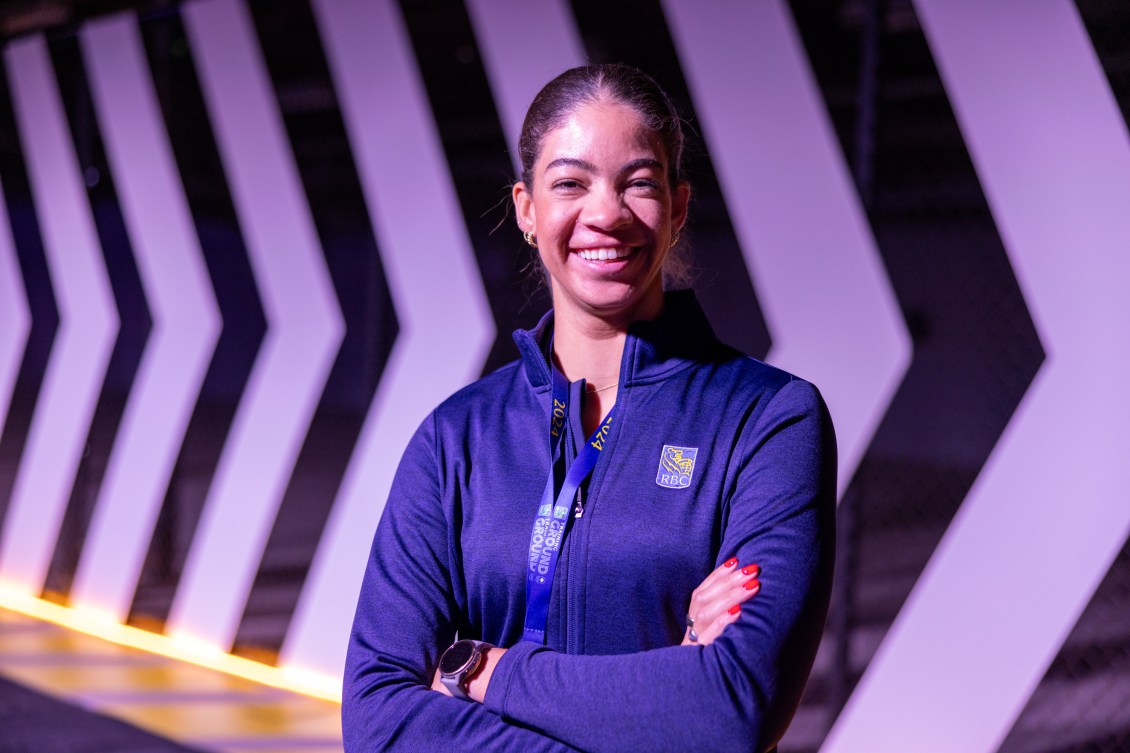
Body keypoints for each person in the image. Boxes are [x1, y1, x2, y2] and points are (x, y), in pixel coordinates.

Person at [342, 64, 836, 753]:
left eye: (638, 182)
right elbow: (377, 717)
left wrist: (483, 670)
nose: (605, 213)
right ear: (526, 208)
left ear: (679, 206)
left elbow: (731, 707)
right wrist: (661, 699)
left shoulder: (769, 420)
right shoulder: (455, 438)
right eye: (571, 183)